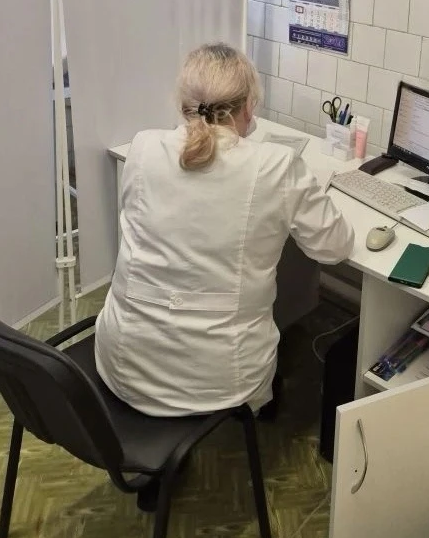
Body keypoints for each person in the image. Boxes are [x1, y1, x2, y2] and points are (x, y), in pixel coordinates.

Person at [94, 43, 354, 419]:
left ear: (182, 104)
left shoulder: (143, 147)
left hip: (125, 362)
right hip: (219, 380)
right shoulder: (277, 165)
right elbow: (334, 248)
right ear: (248, 107)